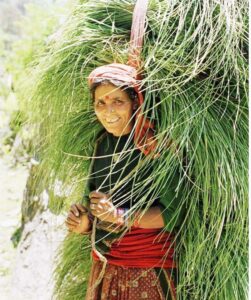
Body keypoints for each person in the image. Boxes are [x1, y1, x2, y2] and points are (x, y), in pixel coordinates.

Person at [65, 63, 185, 300]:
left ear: (135, 102)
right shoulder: (101, 145)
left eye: (117, 101)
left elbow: (173, 215)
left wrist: (118, 215)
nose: (108, 111)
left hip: (148, 270)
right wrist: (84, 223)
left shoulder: (156, 148)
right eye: (101, 102)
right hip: (105, 267)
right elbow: (94, 208)